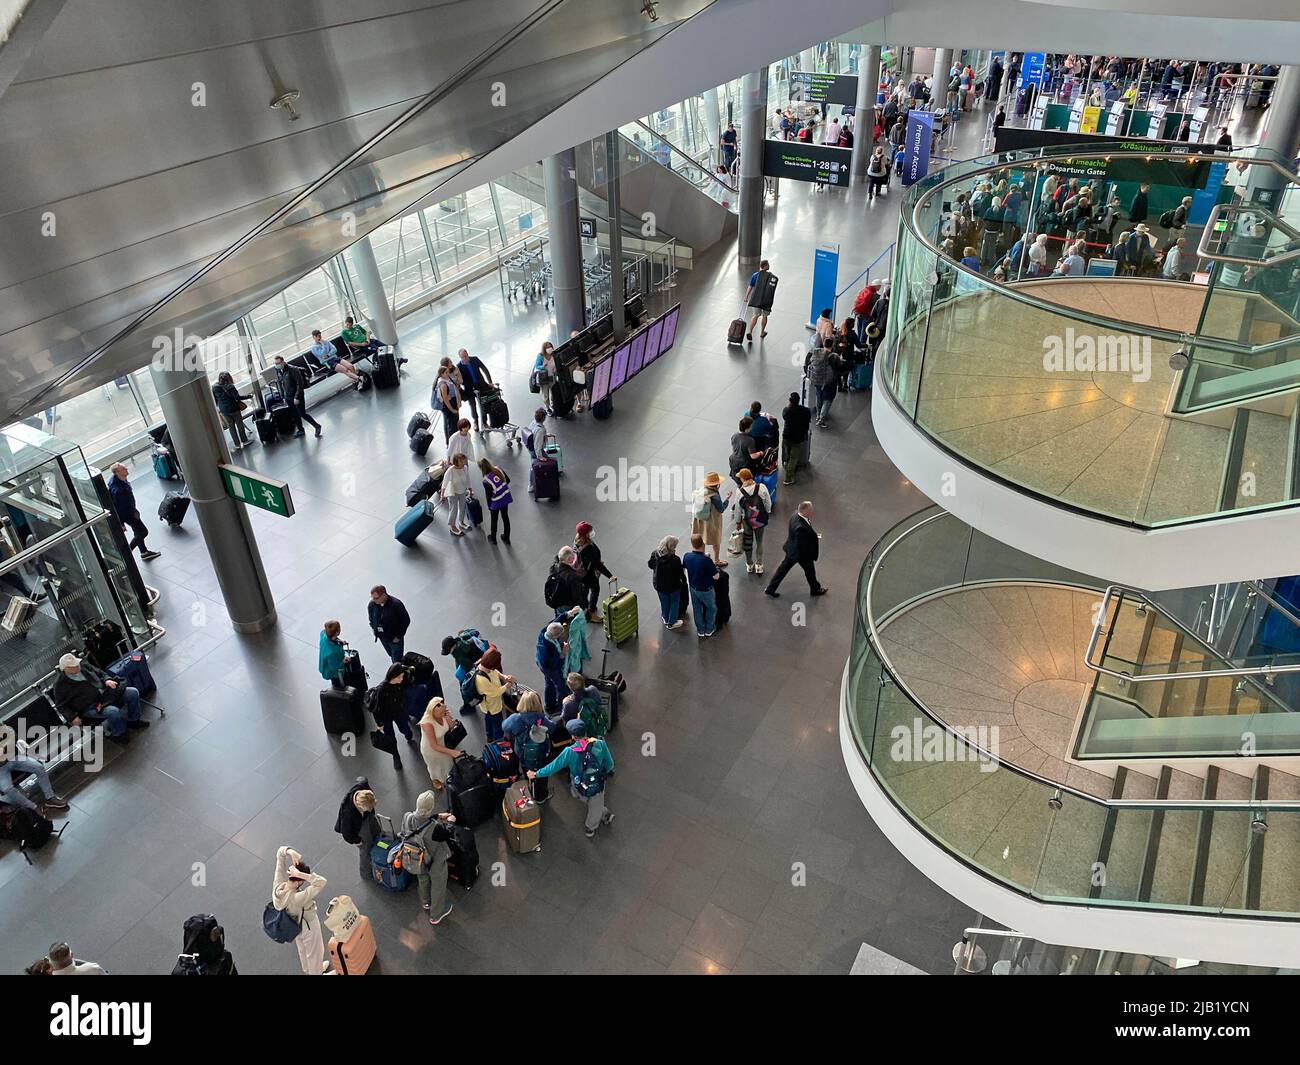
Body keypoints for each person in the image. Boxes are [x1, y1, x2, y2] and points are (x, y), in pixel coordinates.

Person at [526, 719, 614, 839]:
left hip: (578, 785)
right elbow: (610, 765)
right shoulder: (600, 743)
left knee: (583, 798)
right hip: (597, 783)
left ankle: (592, 825)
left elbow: (553, 767)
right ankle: (595, 821)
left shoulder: (570, 752)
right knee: (595, 802)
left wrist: (536, 774)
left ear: (573, 736)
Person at [51, 652, 147, 746]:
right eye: (74, 666)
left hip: (106, 694)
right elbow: (61, 705)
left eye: (77, 664)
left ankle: (134, 720)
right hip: (90, 706)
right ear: (66, 669)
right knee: (112, 711)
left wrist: (107, 680)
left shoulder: (84, 666)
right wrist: (72, 717)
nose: (78, 666)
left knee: (132, 693)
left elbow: (101, 673)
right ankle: (119, 733)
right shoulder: (60, 685)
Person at [401, 790, 456, 925]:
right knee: (438, 884)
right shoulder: (435, 828)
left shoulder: (407, 817)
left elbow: (421, 820)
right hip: (434, 860)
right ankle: (436, 914)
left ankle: (426, 902)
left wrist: (437, 816)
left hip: (416, 858)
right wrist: (451, 822)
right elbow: (447, 833)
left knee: (423, 879)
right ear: (430, 809)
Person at [272, 846, 328, 975]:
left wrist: (290, 851)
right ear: (299, 882)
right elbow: (321, 882)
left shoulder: (277, 886)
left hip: (293, 926)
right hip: (308, 925)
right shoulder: (298, 898)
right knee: (315, 953)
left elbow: (279, 854)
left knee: (303, 950)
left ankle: (309, 970)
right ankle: (316, 972)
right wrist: (302, 875)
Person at [764, 501, 827, 598]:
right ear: (806, 511)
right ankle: (815, 589)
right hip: (800, 554)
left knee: (782, 570)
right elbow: (802, 544)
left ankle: (770, 589)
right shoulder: (800, 528)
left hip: (791, 549)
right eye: (811, 510)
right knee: (809, 571)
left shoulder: (795, 515)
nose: (812, 512)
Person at [107, 463, 160, 562]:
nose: (126, 468)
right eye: (123, 468)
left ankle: (144, 553)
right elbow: (119, 507)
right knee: (143, 532)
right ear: (118, 472)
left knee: (137, 532)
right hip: (129, 514)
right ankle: (127, 552)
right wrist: (121, 523)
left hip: (130, 511)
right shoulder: (119, 490)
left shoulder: (118, 479)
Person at [369, 663, 415, 769]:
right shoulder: (381, 690)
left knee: (404, 727)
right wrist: (379, 724)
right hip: (386, 716)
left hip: (399, 711)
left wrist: (412, 668)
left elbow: (408, 670)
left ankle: (408, 734)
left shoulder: (401, 681)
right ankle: (396, 755)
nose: (402, 679)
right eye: (401, 677)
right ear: (394, 677)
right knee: (390, 737)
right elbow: (377, 709)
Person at [0, 751, 69, 816]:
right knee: (7, 789)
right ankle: (33, 807)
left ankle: (50, 796)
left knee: (39, 767)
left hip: (13, 757)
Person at [733, 468, 773, 575]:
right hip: (759, 520)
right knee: (759, 542)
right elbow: (768, 502)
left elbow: (738, 509)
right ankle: (759, 565)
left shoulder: (739, 492)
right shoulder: (761, 487)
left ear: (742, 479)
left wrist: (738, 522)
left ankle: (749, 564)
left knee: (748, 543)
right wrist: (767, 513)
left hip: (747, 521)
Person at [472, 647, 516, 742]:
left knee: (488, 721)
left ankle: (490, 737)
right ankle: (499, 741)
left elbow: (495, 672)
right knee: (497, 725)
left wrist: (504, 677)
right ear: (491, 665)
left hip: (487, 707)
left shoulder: (482, 665)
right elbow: (495, 693)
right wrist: (508, 685)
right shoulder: (481, 679)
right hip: (492, 707)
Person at [272, 355, 321, 438]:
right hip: (288, 396)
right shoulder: (279, 371)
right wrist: (283, 395)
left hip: (296, 396)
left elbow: (300, 384)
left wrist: (297, 397)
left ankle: (317, 426)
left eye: (278, 363)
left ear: (283, 362)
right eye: (275, 363)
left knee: (302, 414)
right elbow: (281, 383)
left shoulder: (293, 369)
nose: (277, 365)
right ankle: (300, 430)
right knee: (295, 414)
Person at [574, 521, 614, 621]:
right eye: (590, 531)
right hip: (588, 574)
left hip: (581, 573)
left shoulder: (577, 540)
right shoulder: (588, 548)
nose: (592, 532)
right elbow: (597, 564)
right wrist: (610, 576)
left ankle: (585, 608)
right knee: (595, 589)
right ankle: (591, 612)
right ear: (586, 534)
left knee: (585, 590)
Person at [682, 532, 720, 638]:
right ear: (702, 544)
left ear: (692, 544)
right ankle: (709, 629)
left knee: (697, 608)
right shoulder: (706, 560)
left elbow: (684, 568)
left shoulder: (687, 556)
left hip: (693, 587)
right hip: (706, 589)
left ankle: (700, 630)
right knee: (712, 608)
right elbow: (716, 576)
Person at [690, 472, 730, 567]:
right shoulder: (714, 495)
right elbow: (721, 509)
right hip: (710, 521)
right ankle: (717, 560)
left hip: (699, 520)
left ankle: (702, 557)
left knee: (701, 538)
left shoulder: (701, 490)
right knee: (716, 540)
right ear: (717, 484)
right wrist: (727, 499)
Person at [647, 535, 687, 630]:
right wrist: (684, 582)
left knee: (664, 601)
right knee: (674, 602)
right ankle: (671, 622)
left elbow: (650, 565)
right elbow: (680, 574)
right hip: (673, 586)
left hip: (659, 584)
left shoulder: (655, 554)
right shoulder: (675, 559)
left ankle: (665, 617)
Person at [418, 696, 458, 785]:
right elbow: (434, 745)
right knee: (435, 767)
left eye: (444, 711)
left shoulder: (443, 714)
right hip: (430, 749)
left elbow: (451, 727)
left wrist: (448, 717)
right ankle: (436, 780)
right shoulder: (427, 723)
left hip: (442, 744)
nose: (442, 714)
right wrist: (452, 752)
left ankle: (448, 778)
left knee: (447, 763)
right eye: (440, 713)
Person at [367, 585, 410, 663]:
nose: (374, 600)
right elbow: (371, 618)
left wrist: (399, 636)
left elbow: (406, 620)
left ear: (384, 595)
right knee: (391, 654)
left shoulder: (396, 605)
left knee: (397, 659)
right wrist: (374, 628)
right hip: (382, 637)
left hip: (394, 638)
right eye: (372, 597)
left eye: (376, 598)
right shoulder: (372, 605)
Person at [454, 348, 494, 429]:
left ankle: (484, 422)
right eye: (463, 357)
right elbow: (461, 380)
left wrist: (490, 382)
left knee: (483, 404)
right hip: (470, 389)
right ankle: (475, 421)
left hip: (481, 386)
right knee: (473, 405)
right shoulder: (459, 367)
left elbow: (485, 369)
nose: (465, 358)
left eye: (466, 356)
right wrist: (470, 386)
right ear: (460, 357)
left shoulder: (474, 359)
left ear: (467, 354)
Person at [211, 371, 251, 450]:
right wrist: (248, 396)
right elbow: (237, 398)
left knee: (231, 426)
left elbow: (215, 399)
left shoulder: (214, 387)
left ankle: (237, 444)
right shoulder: (230, 387)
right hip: (233, 408)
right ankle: (244, 441)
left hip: (224, 410)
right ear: (229, 378)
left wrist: (219, 406)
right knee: (239, 424)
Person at [535, 621, 568, 715]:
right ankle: (561, 707)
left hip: (541, 663)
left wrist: (567, 614)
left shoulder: (544, 632)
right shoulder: (549, 650)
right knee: (561, 686)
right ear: (554, 637)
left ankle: (549, 705)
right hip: (549, 668)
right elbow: (556, 664)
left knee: (549, 682)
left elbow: (555, 620)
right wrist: (563, 653)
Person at [477, 458, 512, 545]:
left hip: (496, 502)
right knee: (505, 517)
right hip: (505, 497)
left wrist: (489, 506)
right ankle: (506, 538)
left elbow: (489, 496)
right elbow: (508, 480)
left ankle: (493, 538)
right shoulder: (498, 469)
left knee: (494, 520)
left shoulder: (486, 480)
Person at [350, 788, 384, 874]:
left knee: (378, 836)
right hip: (360, 829)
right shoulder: (348, 812)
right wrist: (357, 841)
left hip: (368, 819)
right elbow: (346, 832)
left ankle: (379, 851)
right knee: (365, 849)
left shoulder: (366, 794)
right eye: (369, 808)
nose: (371, 808)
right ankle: (366, 871)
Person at [544, 546, 587, 615]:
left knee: (560, 619)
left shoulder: (554, 567)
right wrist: (583, 608)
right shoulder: (572, 576)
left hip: (557, 602)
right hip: (568, 605)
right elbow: (577, 596)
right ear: (570, 559)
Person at [781, 391, 812, 486]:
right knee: (794, 457)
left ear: (790, 401)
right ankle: (788, 478)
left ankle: (786, 463)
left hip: (787, 435)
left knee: (787, 451)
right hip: (798, 437)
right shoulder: (805, 411)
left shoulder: (787, 410)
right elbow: (808, 420)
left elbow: (785, 417)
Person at [743, 259, 777, 340]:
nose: (769, 266)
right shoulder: (771, 276)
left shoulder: (755, 275)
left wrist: (746, 297)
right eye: (768, 264)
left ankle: (750, 332)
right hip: (766, 300)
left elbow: (750, 286)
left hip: (756, 299)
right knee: (765, 316)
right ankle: (762, 332)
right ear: (765, 266)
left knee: (755, 315)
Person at [524, 408, 552, 492]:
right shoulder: (540, 430)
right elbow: (537, 444)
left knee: (538, 463)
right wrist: (540, 457)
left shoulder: (533, 422)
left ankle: (535, 481)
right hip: (535, 450)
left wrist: (545, 435)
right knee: (535, 466)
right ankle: (531, 485)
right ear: (543, 418)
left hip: (530, 447)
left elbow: (534, 435)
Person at [432, 365, 461, 443]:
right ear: (441, 374)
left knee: (452, 424)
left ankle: (452, 442)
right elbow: (445, 399)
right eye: (446, 372)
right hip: (449, 406)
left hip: (453, 403)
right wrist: (452, 409)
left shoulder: (447, 380)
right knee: (452, 425)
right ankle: (451, 443)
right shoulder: (443, 384)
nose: (448, 374)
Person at [533, 342, 559, 415]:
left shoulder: (553, 354)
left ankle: (552, 405)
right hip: (544, 378)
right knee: (545, 394)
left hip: (552, 376)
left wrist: (555, 369)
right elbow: (537, 366)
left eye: (550, 346)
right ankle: (547, 408)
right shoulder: (540, 356)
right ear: (544, 349)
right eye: (547, 347)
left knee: (553, 392)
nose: (549, 348)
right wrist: (543, 366)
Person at [318, 619, 346, 684]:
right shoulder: (331, 652)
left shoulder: (323, 634)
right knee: (338, 683)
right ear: (337, 632)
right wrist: (343, 661)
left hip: (326, 664)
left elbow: (333, 638)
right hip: (332, 673)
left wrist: (340, 641)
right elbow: (334, 668)